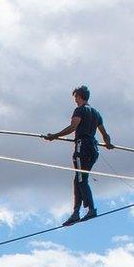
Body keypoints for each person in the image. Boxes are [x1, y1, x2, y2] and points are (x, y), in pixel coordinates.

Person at [43, 85, 113, 225]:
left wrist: (55, 136)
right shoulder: (96, 113)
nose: (75, 100)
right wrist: (108, 144)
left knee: (81, 180)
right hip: (93, 150)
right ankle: (76, 212)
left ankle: (91, 209)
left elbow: (72, 127)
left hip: (83, 148)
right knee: (79, 180)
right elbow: (105, 134)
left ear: (79, 96)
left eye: (75, 97)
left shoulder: (80, 110)